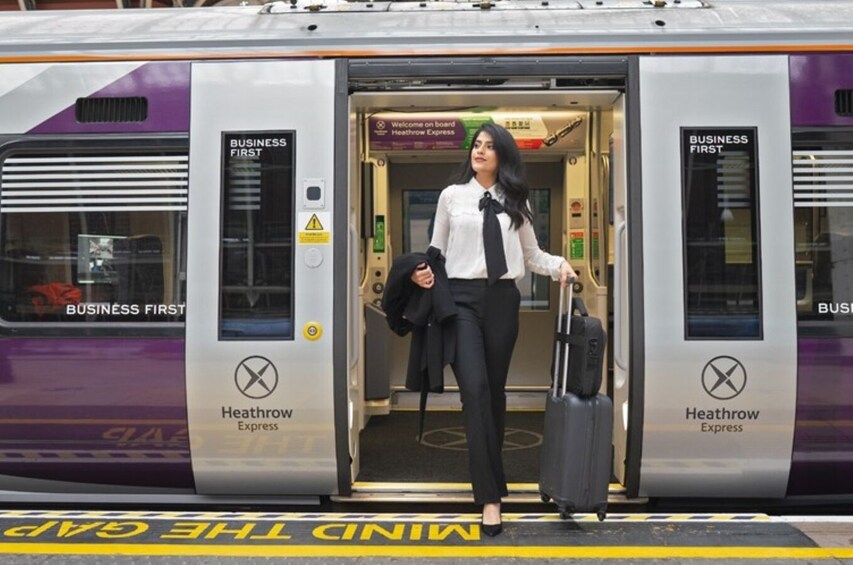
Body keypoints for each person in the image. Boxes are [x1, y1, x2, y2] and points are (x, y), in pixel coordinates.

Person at [410, 123, 576, 536]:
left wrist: (560, 266)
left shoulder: (516, 200)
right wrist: (419, 275)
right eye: (476, 145)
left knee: (494, 395)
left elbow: (531, 254)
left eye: (488, 147)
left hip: (503, 301)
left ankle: (490, 478)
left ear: (503, 156)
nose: (479, 152)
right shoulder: (452, 196)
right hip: (461, 301)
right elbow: (437, 251)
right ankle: (490, 497)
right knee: (476, 391)